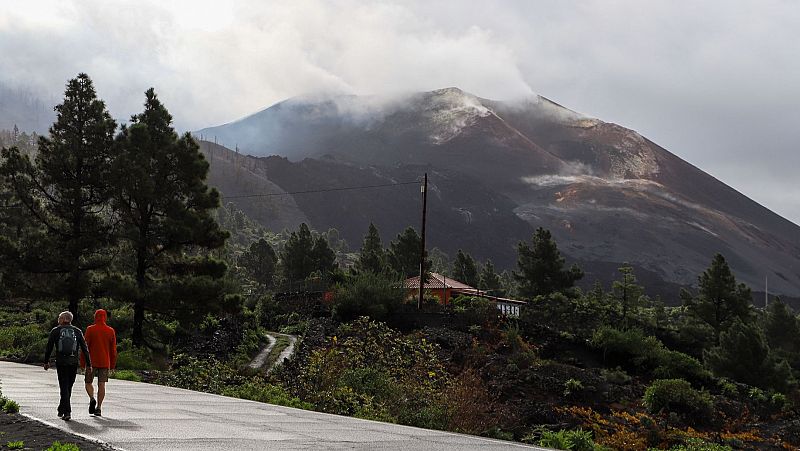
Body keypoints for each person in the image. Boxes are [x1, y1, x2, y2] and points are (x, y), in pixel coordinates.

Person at [44, 311, 91, 421]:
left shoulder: (56, 331)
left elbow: (49, 347)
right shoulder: (77, 331)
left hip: (61, 362)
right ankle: (62, 408)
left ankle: (67, 411)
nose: (58, 319)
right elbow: (85, 348)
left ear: (64, 319)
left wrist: (46, 362)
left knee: (63, 386)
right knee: (69, 386)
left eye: (59, 318)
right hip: (73, 363)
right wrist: (89, 364)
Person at [81, 309, 117, 417]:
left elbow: (85, 347)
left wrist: (82, 363)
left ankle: (92, 398)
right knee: (102, 385)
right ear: (105, 317)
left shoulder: (90, 329)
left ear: (95, 317)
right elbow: (113, 350)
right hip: (105, 362)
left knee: (88, 383)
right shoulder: (110, 331)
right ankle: (99, 408)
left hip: (91, 362)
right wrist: (113, 365)